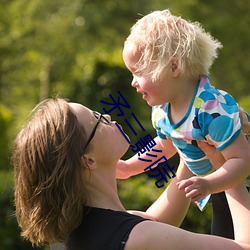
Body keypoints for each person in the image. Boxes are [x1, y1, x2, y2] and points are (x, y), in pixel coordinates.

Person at [13, 98, 250, 250]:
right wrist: (226, 165)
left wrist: (189, 137)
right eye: (97, 120)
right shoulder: (138, 238)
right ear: (88, 160)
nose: (106, 116)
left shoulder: (72, 234)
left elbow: (156, 221)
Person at [120, 9, 250, 239]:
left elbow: (242, 160)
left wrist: (209, 184)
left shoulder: (211, 109)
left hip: (239, 186)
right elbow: (165, 144)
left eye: (138, 72)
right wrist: (129, 167)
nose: (133, 82)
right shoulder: (162, 109)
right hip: (220, 189)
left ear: (173, 67)